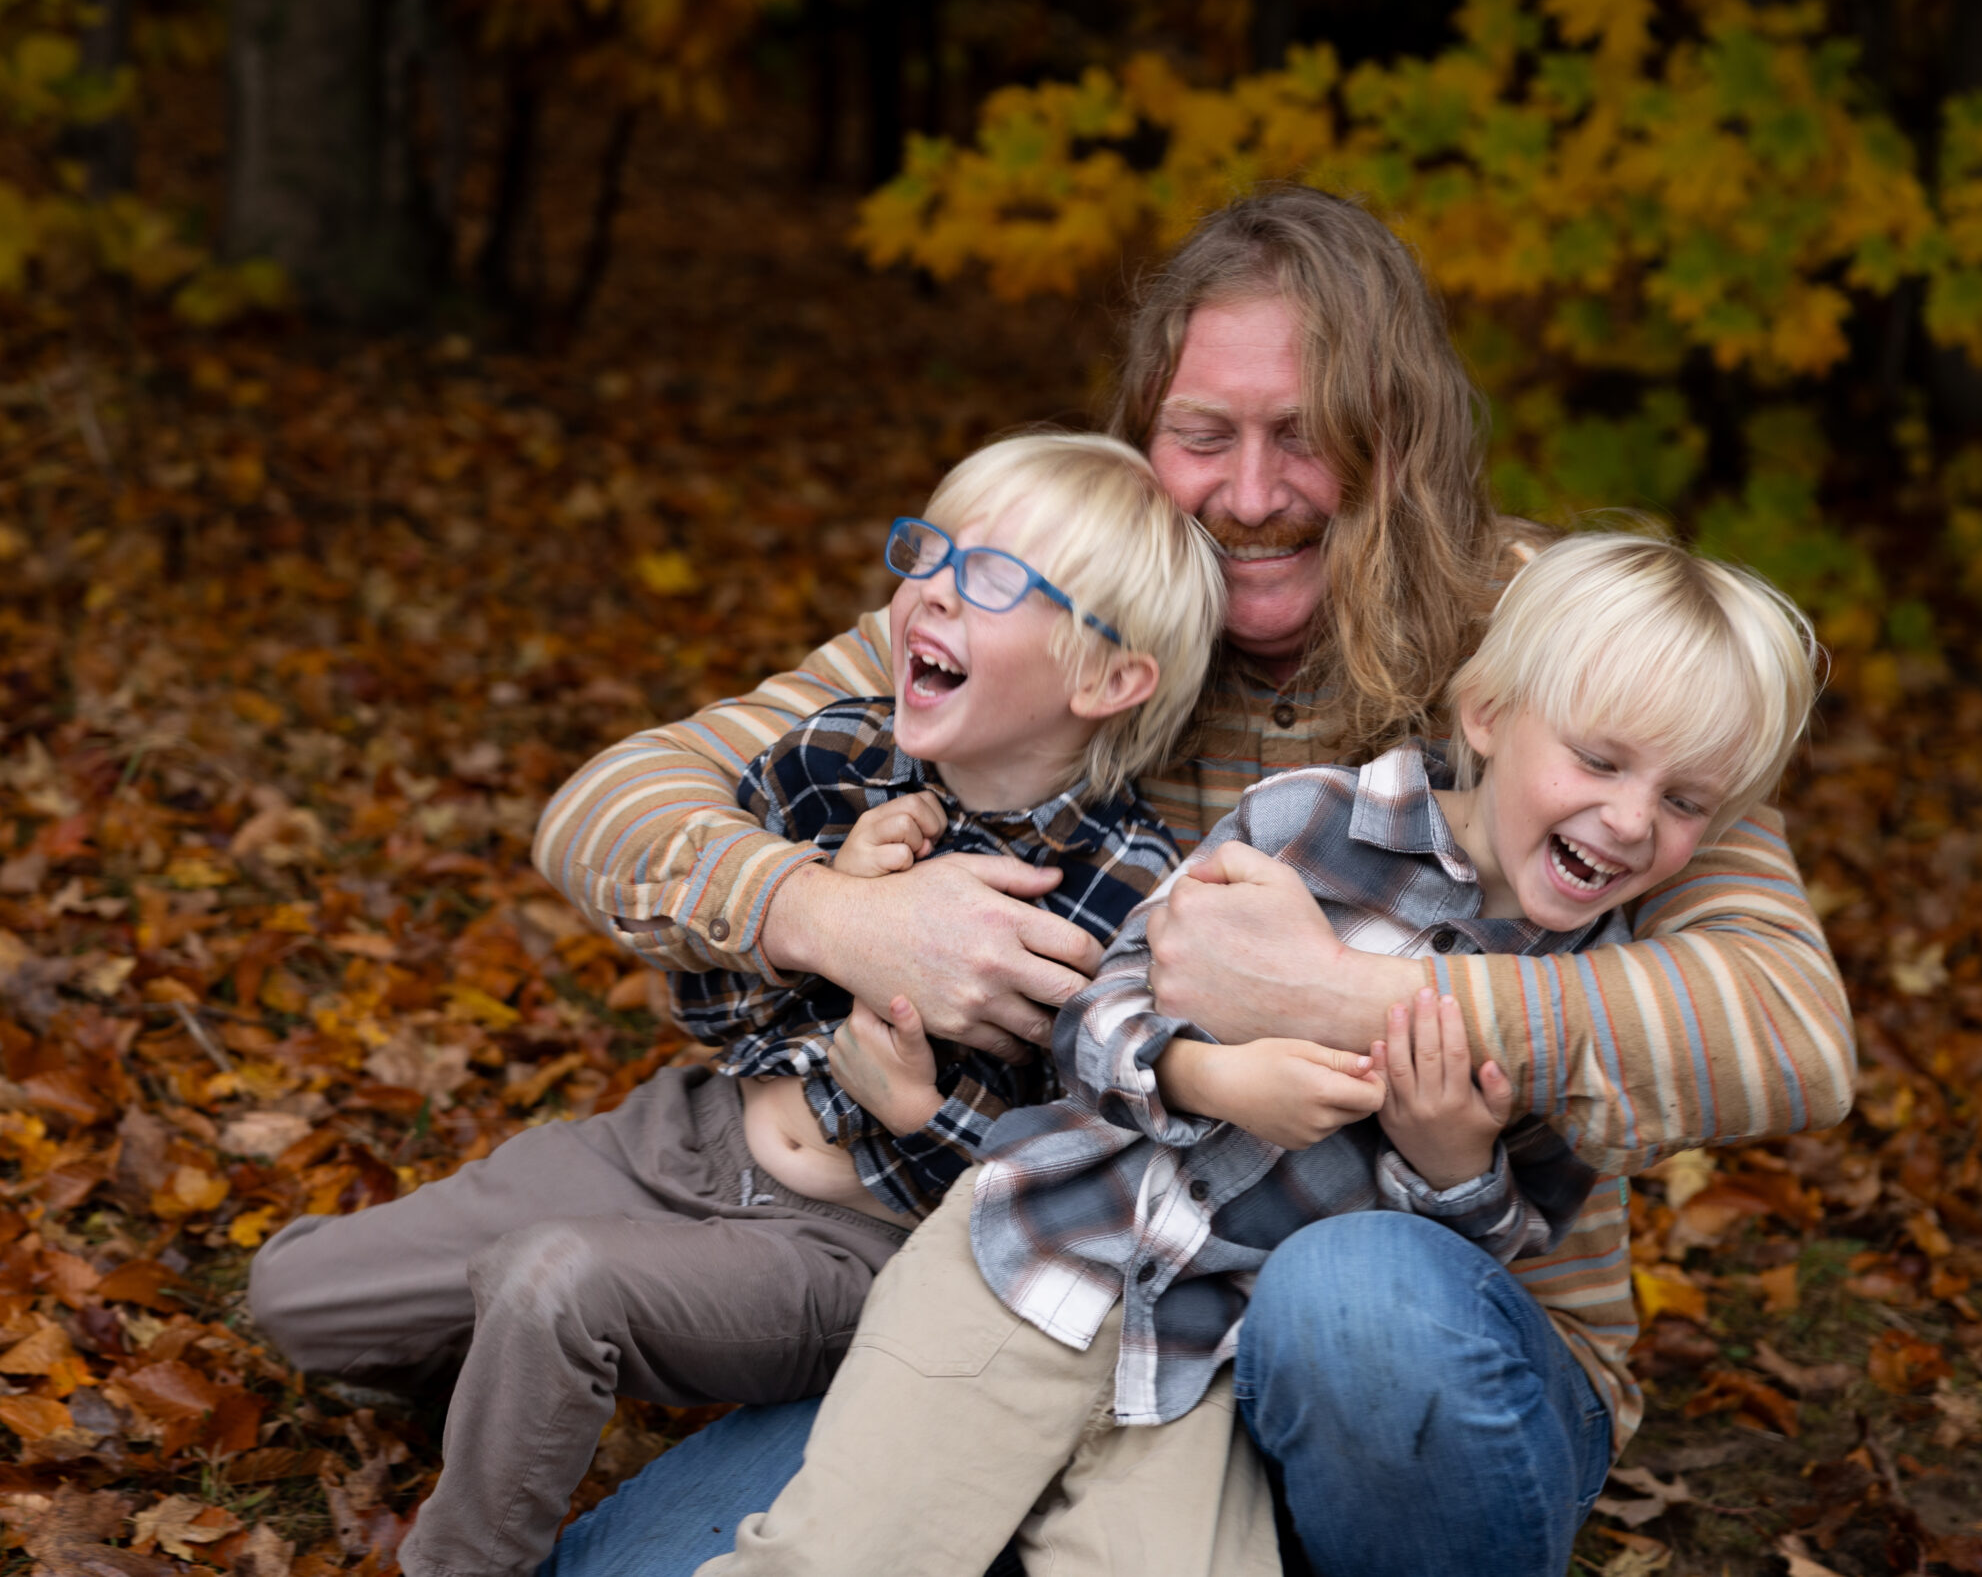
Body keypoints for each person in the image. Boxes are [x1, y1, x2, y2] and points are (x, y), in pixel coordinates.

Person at [527, 186, 1856, 1577]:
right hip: (1065, 1299)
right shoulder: (1060, 603)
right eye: (1202, 436)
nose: (1253, 492)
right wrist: (844, 917)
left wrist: (1338, 995)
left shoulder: (1560, 640)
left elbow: (1787, 1024)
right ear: (1140, 436)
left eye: (1312, 439)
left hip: (1406, 1348)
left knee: (1350, 1307)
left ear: (1400, 433)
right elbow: (613, 802)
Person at [687, 532, 1822, 1577]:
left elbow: (1488, 1254)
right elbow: (1097, 1014)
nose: (1629, 822)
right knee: (841, 1552)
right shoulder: (1307, 826)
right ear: (1484, 714)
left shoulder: (1578, 999)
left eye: (1683, 802)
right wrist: (1210, 1075)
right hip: (1038, 1258)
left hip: (1210, 1364)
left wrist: (1449, 1166)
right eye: (1598, 762)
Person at [245, 433, 1222, 1577]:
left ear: (1108, 680)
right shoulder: (841, 759)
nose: (933, 594)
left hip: (849, 1249)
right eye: (933, 553)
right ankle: (514, 1369)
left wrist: (921, 1118)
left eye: (995, 581)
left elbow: (1093, 1175)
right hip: (687, 1142)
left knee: (551, 1282)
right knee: (296, 1299)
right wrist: (826, 912)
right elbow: (700, 1001)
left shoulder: (1125, 900)